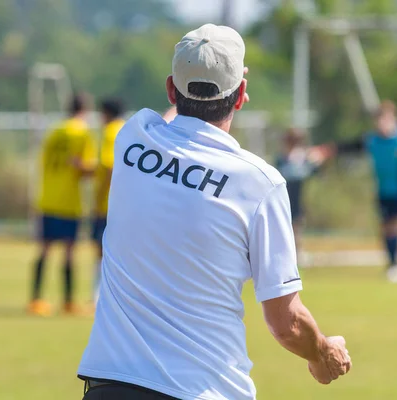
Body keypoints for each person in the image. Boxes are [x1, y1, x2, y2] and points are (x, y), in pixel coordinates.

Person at [78, 24, 351, 400]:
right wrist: (322, 353)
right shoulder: (259, 183)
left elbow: (173, 116)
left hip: (109, 386)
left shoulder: (133, 138)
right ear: (241, 96)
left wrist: (200, 77)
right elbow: (286, 322)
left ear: (171, 88)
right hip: (202, 391)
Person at [313, 100, 397, 283]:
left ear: (394, 120)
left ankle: (394, 265)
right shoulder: (371, 140)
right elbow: (349, 147)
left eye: (388, 119)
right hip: (382, 191)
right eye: (380, 120)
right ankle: (392, 263)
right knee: (385, 228)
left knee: (393, 226)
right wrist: (328, 150)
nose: (384, 123)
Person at [29, 93, 97, 317]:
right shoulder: (82, 132)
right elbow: (85, 169)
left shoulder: (54, 131)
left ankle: (36, 299)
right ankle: (68, 302)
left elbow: (44, 161)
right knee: (69, 252)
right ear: (85, 110)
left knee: (44, 250)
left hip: (48, 198)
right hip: (69, 201)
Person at [91, 99, 126, 302]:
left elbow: (108, 166)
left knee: (101, 249)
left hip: (108, 204)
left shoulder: (110, 132)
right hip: (127, 204)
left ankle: (99, 295)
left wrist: (99, 197)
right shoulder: (128, 130)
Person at [276, 128, 321, 251]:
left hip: (297, 196)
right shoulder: (282, 158)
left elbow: (312, 172)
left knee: (297, 227)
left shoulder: (303, 157)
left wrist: (314, 162)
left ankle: (297, 255)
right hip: (284, 196)